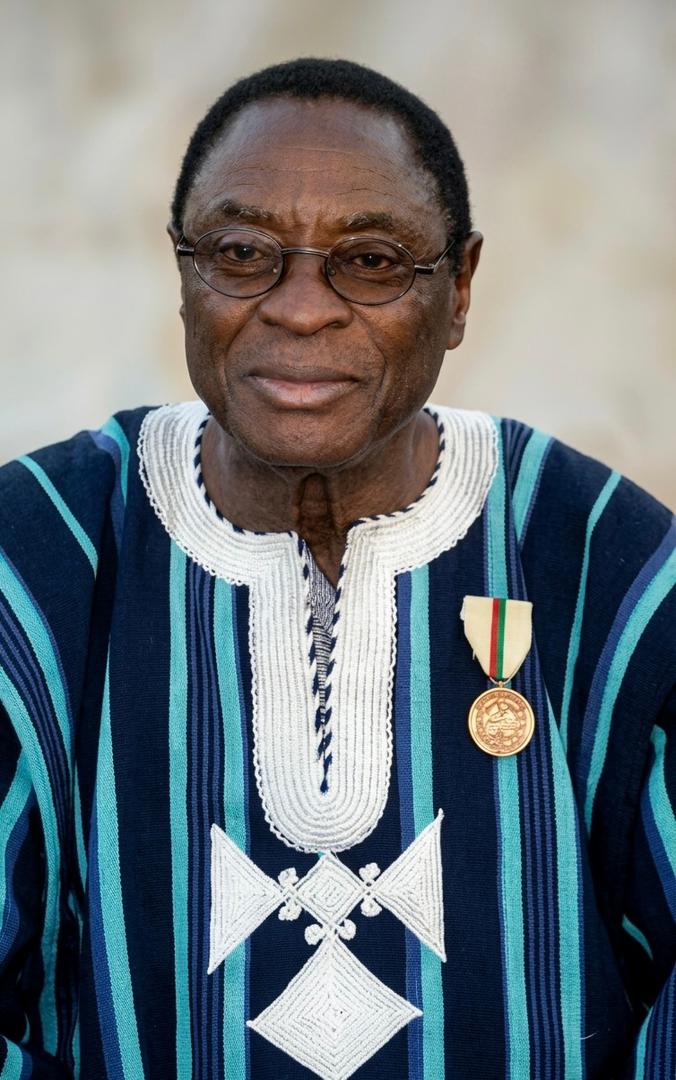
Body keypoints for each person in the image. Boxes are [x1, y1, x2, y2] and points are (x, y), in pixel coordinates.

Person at [0, 57, 674, 1080]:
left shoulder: (600, 560)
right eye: (241, 253)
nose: (302, 309)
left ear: (458, 290)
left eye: (370, 261)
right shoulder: (41, 559)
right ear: (184, 276)